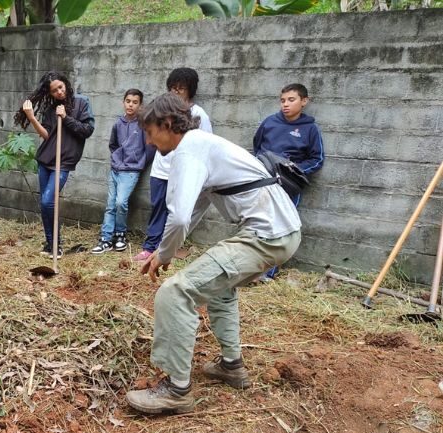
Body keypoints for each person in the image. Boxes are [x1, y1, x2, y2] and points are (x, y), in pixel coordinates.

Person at [125, 93, 301, 415]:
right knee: (220, 289)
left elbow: (178, 217)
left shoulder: (188, 151)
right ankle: (231, 366)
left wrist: (164, 255)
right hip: (283, 233)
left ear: (166, 124)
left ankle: (176, 390)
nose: (149, 142)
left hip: (266, 236)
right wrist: (166, 250)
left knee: (175, 292)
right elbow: (196, 209)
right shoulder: (203, 144)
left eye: (150, 132)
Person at [134, 68, 212, 262]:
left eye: (181, 89)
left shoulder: (198, 114)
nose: (176, 92)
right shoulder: (161, 112)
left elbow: (205, 146)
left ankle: (167, 248)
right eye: (173, 88)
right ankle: (151, 247)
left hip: (184, 173)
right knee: (159, 207)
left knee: (178, 211)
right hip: (161, 171)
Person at [15, 71, 95, 259]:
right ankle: (52, 244)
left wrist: (66, 117)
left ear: (66, 83)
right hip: (46, 160)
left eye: (61, 87)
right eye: (54, 90)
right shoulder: (51, 109)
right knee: (45, 205)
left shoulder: (82, 103)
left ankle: (55, 243)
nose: (59, 92)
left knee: (47, 201)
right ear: (50, 93)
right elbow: (47, 136)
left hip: (64, 161)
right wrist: (32, 117)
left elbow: (87, 130)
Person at [253, 83, 324, 281]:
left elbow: (317, 159)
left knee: (281, 226)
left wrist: (293, 171)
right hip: (264, 182)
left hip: (289, 186)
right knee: (258, 223)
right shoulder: (269, 123)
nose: (286, 104)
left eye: (291, 100)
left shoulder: (310, 129)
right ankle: (249, 268)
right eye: (283, 100)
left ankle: (268, 273)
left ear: (304, 101)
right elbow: (257, 148)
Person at [91, 89, 155, 254]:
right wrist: (116, 159)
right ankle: (105, 239)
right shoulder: (118, 124)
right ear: (123, 102)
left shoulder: (143, 125)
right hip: (115, 169)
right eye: (128, 101)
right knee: (110, 204)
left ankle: (120, 235)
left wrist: (139, 162)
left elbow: (150, 147)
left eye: (135, 102)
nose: (130, 105)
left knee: (121, 202)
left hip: (131, 171)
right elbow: (113, 145)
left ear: (140, 105)